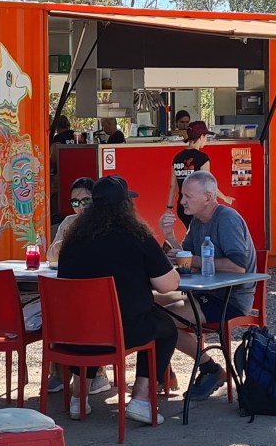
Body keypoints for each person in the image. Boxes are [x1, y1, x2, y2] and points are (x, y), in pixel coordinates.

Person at [58, 176, 179, 425]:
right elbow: (167, 285)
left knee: (92, 322)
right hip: (123, 331)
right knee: (165, 327)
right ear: (126, 205)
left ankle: (78, 399)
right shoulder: (137, 236)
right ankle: (141, 399)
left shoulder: (72, 240)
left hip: (75, 332)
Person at [157, 170, 257, 401]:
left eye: (188, 196)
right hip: (205, 294)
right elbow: (186, 258)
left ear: (208, 198)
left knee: (162, 321)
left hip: (229, 300)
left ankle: (210, 369)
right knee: (150, 304)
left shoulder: (227, 218)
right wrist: (169, 235)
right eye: (182, 196)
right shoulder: (197, 221)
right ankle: (163, 374)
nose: (182, 202)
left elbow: (238, 267)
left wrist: (193, 261)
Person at [45, 177, 110, 396]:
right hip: (71, 290)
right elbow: (51, 257)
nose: (80, 207)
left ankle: (98, 373)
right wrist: (61, 246)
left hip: (98, 292)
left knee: (88, 312)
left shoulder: (105, 222)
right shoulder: (68, 223)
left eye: (86, 201)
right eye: (75, 202)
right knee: (54, 311)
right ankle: (58, 373)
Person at [165, 121, 234, 229]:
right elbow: (209, 185)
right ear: (201, 136)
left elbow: (172, 186)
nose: (206, 140)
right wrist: (225, 198)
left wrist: (169, 209)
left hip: (183, 207)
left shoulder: (177, 158)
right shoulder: (202, 159)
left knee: (192, 234)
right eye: (206, 137)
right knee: (202, 235)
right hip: (198, 207)